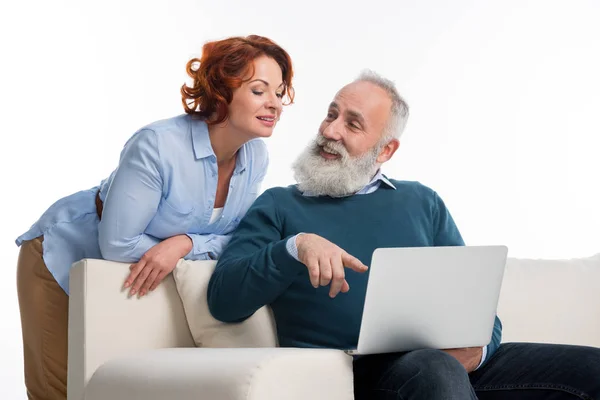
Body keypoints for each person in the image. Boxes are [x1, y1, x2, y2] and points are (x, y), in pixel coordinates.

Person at [206, 70, 600, 399]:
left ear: (385, 151)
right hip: (360, 373)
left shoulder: (422, 202)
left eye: (352, 123)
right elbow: (224, 299)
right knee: (434, 369)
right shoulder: (279, 205)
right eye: (331, 115)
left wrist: (478, 350)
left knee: (590, 368)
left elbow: (477, 307)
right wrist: (295, 246)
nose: (330, 130)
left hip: (444, 367)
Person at [15, 34, 294, 400]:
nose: (274, 103)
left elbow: (242, 239)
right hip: (63, 256)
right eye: (259, 91)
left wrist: (184, 243)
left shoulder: (256, 155)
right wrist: (187, 249)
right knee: (60, 390)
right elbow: (117, 244)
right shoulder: (157, 144)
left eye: (279, 91)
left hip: (143, 276)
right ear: (222, 92)